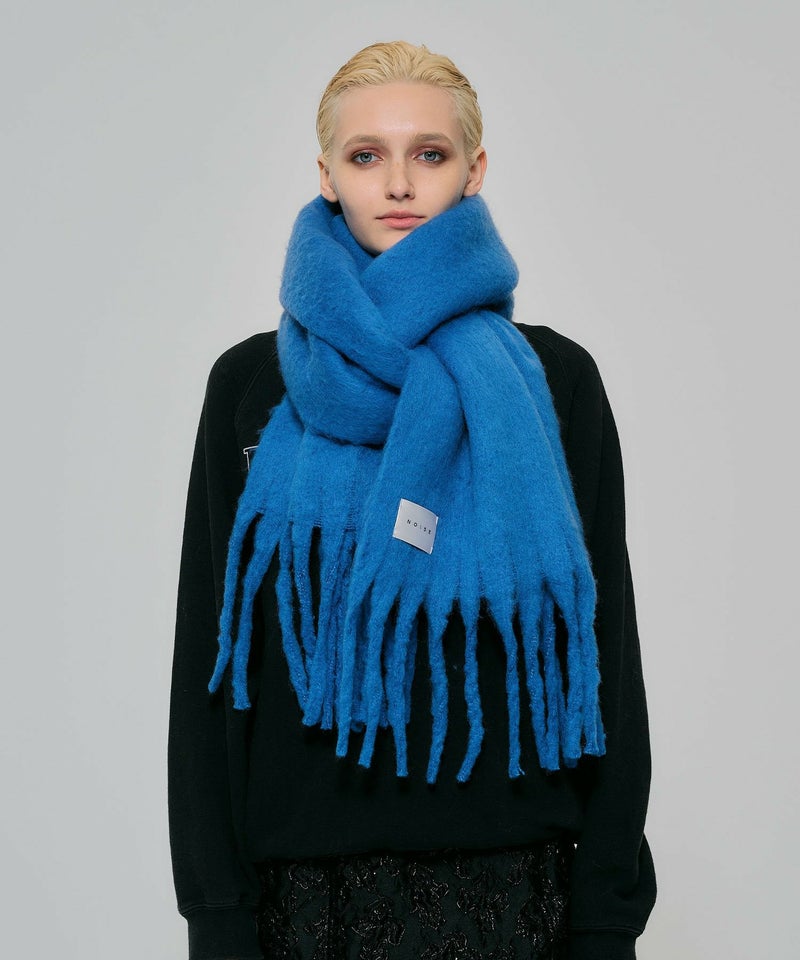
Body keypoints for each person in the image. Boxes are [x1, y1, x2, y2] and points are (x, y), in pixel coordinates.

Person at [169, 40, 656, 960]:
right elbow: (212, 662)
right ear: (327, 176)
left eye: (429, 153)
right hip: (304, 912)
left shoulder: (554, 381)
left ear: (475, 170)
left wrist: (606, 916)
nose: (398, 182)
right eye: (367, 155)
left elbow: (607, 651)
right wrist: (216, 914)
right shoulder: (253, 386)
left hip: (520, 902)